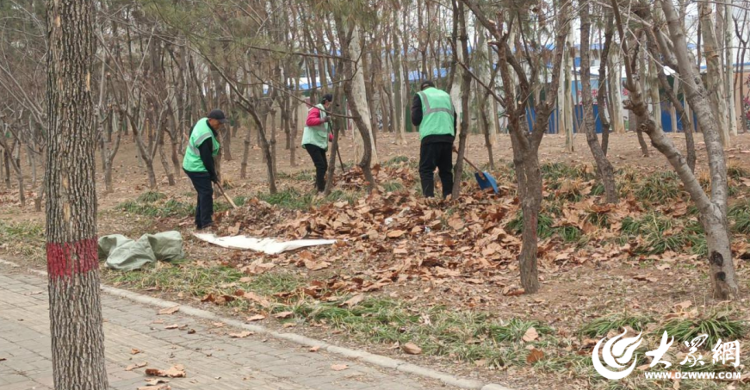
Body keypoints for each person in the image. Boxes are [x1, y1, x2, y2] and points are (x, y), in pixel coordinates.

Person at [182, 109, 228, 230]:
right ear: (211, 120)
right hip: (196, 166)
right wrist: (213, 175)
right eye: (218, 122)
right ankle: (206, 222)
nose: (220, 125)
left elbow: (192, 130)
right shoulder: (205, 136)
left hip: (191, 163)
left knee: (203, 193)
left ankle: (200, 222)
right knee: (206, 193)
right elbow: (206, 158)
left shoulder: (202, 121)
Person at [411, 80, 457, 199]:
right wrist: (452, 140)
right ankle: (448, 196)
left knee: (426, 169)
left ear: (423, 88)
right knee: (446, 171)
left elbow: (415, 120)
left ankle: (429, 197)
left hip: (430, 137)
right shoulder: (446, 96)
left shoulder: (420, 95)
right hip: (447, 137)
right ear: (434, 87)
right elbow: (454, 118)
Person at [301, 93, 333, 194]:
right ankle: (321, 189)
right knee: (321, 165)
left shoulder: (325, 112)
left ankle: (318, 185)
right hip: (312, 141)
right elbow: (310, 121)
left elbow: (325, 131)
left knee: (324, 165)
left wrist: (333, 139)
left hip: (318, 142)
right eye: (332, 103)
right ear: (327, 102)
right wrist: (323, 120)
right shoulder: (317, 108)